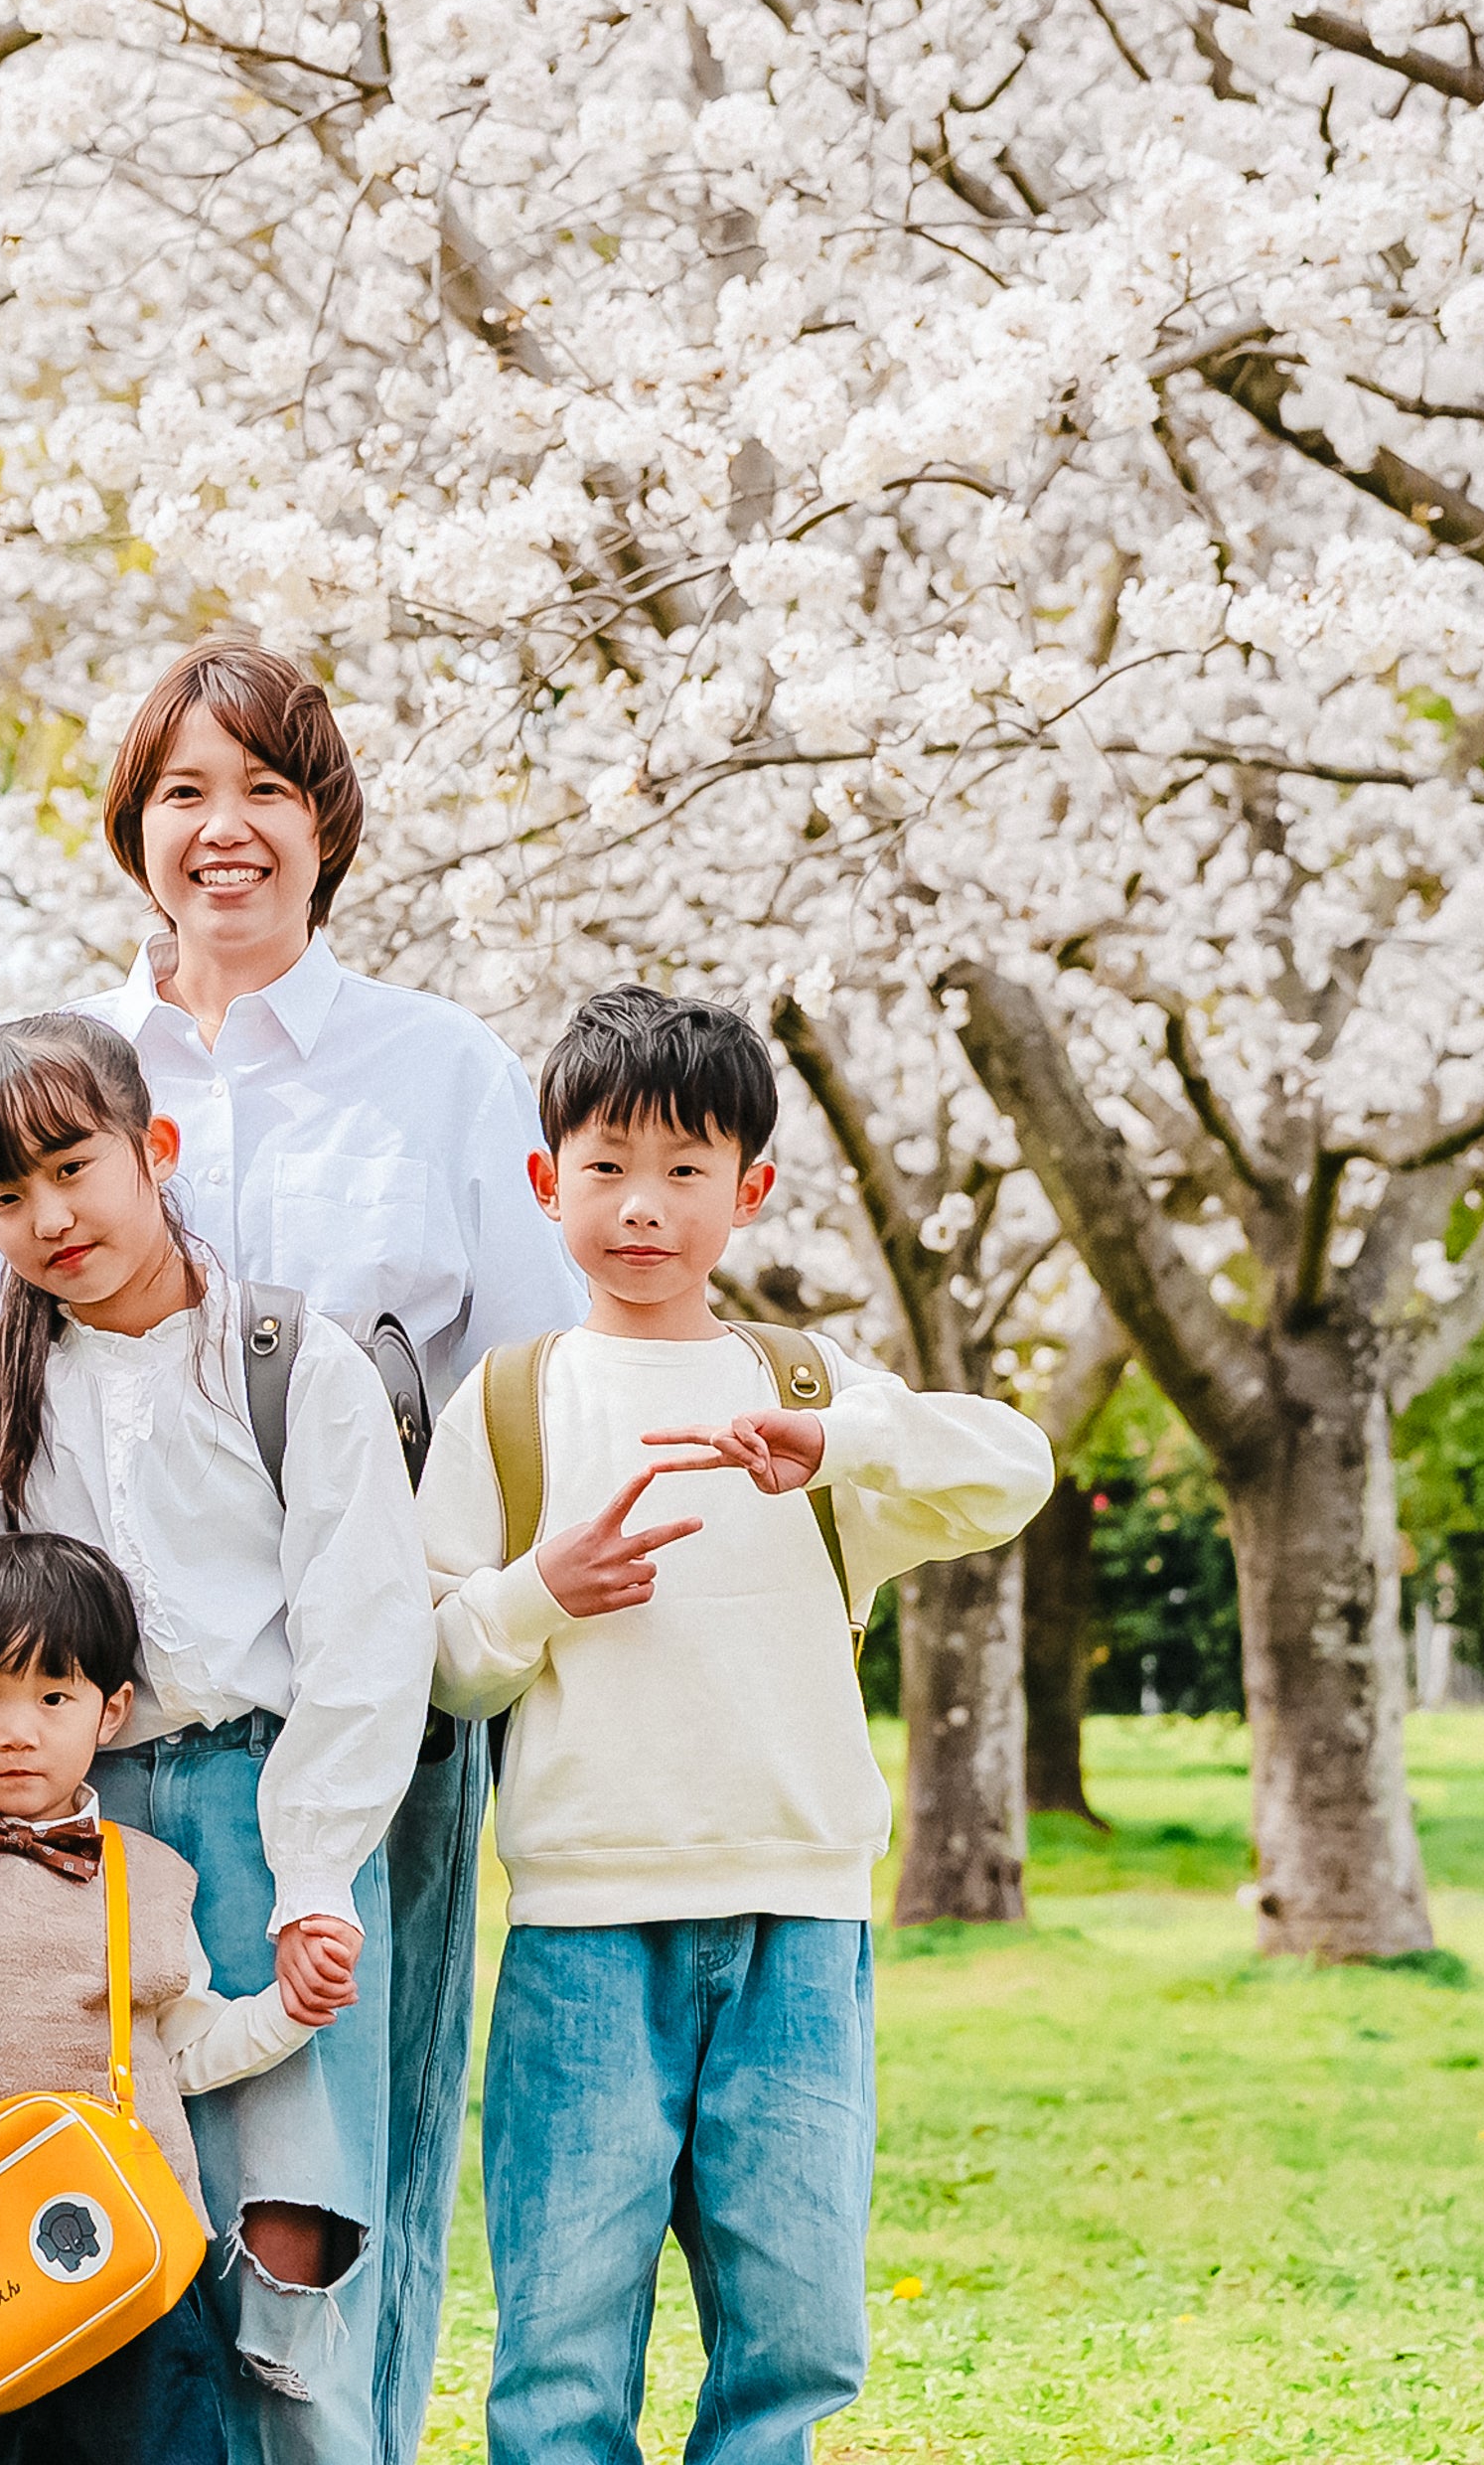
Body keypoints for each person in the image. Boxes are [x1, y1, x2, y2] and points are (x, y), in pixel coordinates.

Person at [66, 633, 588, 2465]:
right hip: (103, 1737)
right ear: (134, 832)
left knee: (340, 2179)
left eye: (266, 790)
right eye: (185, 794)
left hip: (368, 1721)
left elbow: (532, 1384)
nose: (226, 832)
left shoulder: (437, 1071)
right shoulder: (71, 1072)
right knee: (111, 2173)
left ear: (326, 824)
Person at [420, 989, 1052, 2465]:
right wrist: (540, 1588)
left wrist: (840, 1443)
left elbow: (1012, 1472)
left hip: (798, 1929)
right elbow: (443, 1667)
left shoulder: (809, 1393)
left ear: (751, 1190)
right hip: (584, 1937)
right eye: (607, 1165)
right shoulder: (511, 1403)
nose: (645, 1206)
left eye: (688, 1169)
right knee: (562, 2350)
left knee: (798, 2337)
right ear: (544, 1183)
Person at [0, 1014, 429, 2459]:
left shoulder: (290, 1359)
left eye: (71, 1166)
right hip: (69, 1835)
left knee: (291, 2235)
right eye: (1, 1194)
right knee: (90, 2237)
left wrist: (312, 1875)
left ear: (153, 1150)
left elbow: (362, 1639)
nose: (47, 1218)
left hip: (267, 1800)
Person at [0, 1534, 317, 2465]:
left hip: (131, 2264)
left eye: (53, 1697)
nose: (17, 1730)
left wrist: (285, 2009)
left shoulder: (146, 1878)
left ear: (110, 1710)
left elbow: (184, 2049)